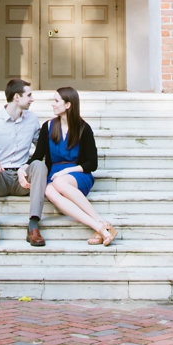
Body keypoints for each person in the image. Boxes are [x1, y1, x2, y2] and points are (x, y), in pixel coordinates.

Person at [32, 86, 116, 246]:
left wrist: (67, 170)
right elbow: (38, 155)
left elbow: (92, 163)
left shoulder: (83, 128)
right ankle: (100, 226)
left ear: (68, 104)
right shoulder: (48, 127)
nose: (52, 104)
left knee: (59, 183)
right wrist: (23, 169)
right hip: (55, 175)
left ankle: (100, 221)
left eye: (56, 101)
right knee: (49, 190)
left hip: (78, 174)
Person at [0, 78, 49, 247]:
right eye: (29, 95)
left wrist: (27, 165)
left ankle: (33, 226)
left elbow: (41, 150)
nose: (32, 99)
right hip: (0, 178)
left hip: (22, 180)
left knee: (39, 165)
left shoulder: (32, 119)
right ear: (17, 97)